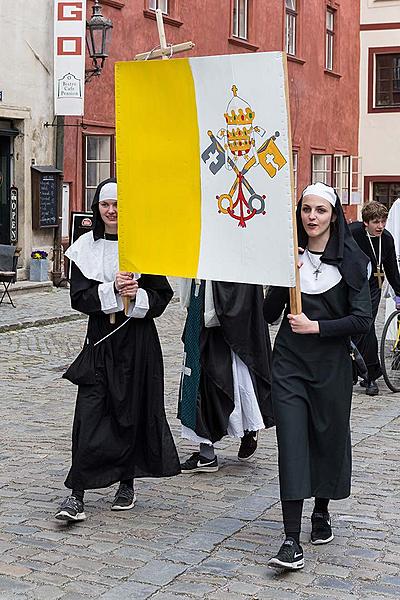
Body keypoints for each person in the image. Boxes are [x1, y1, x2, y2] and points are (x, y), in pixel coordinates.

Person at [55, 178, 180, 522]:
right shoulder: (84, 248)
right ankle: (76, 492)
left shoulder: (142, 248)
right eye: (105, 205)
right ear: (97, 209)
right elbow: (79, 297)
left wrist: (136, 295)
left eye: (118, 206)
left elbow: (161, 297)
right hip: (100, 340)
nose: (111, 212)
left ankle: (127, 480)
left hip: (138, 342)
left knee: (133, 410)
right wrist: (112, 287)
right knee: (90, 413)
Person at [263, 182, 372, 571]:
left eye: (320, 211)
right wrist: (281, 274)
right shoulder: (288, 256)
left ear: (333, 216)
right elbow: (268, 314)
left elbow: (362, 320)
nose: (311, 217)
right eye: (306, 210)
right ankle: (291, 538)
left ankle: (321, 509)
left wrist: (319, 328)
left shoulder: (354, 261)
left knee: (327, 437)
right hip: (289, 364)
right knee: (292, 442)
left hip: (331, 366)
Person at [178, 279, 273, 473]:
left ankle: (245, 429)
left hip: (231, 304)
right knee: (201, 374)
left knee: (234, 372)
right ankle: (207, 451)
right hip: (203, 295)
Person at [349, 201, 400, 395]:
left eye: (383, 221)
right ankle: (355, 371)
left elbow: (392, 270)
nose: (380, 226)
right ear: (366, 222)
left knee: (366, 326)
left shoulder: (386, 239)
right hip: (352, 286)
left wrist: (399, 292)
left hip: (373, 287)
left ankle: (370, 375)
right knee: (352, 327)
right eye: (376, 222)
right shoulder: (353, 233)